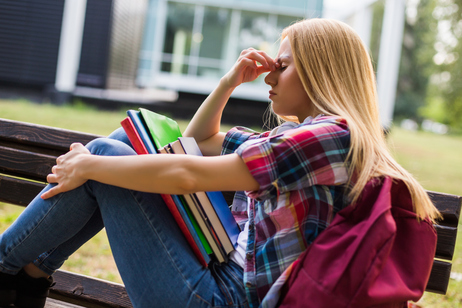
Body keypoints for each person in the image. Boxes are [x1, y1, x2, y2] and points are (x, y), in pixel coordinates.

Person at [0, 18, 440, 308]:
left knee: (103, 154)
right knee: (118, 143)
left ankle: (10, 269)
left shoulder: (327, 138)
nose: (269, 76)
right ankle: (31, 275)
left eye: (282, 66)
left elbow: (187, 171)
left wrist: (90, 167)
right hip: (220, 278)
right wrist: (231, 80)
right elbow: (195, 142)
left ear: (318, 71)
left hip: (224, 299)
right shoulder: (296, 138)